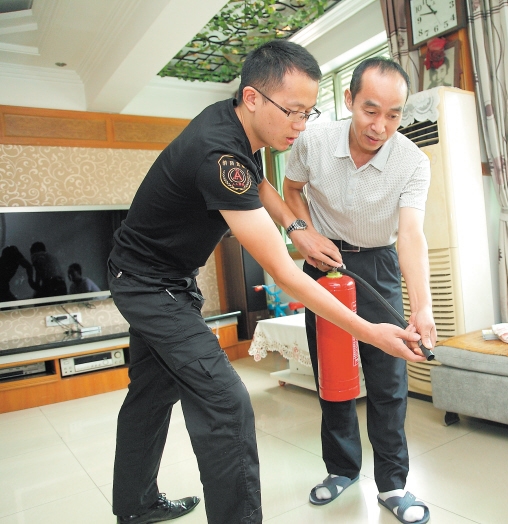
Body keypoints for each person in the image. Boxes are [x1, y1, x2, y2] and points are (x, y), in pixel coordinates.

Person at [108, 42, 424, 524]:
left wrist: (296, 226)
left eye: (308, 111)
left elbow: (261, 186)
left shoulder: (232, 124)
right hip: (148, 285)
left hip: (163, 277)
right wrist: (368, 331)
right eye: (293, 112)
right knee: (228, 405)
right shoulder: (219, 154)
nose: (301, 125)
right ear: (253, 98)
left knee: (150, 396)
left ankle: (136, 505)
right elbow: (283, 272)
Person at [283, 57, 435, 524]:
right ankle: (342, 469)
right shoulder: (313, 140)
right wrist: (303, 232)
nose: (381, 126)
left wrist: (423, 309)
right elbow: (291, 191)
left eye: (394, 114)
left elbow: (410, 235)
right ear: (348, 101)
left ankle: (392, 484)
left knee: (388, 382)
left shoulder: (412, 161)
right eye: (371, 111)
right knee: (334, 376)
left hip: (378, 261)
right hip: (324, 264)